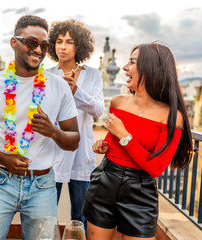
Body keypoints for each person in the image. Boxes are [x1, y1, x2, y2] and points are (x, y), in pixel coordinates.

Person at [0, 15, 80, 240]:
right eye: (31, 42)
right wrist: (4, 158)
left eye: (44, 45)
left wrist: (53, 131)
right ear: (14, 43)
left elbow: (73, 140)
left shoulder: (59, 86)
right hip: (0, 181)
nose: (39, 50)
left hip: (43, 184)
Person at [82, 42, 192, 240]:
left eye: (132, 62)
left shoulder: (173, 117)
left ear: (150, 69)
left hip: (141, 194)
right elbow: (111, 143)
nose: (125, 68)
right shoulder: (118, 102)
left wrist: (124, 136)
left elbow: (156, 167)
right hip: (105, 182)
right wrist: (103, 146)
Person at [47, 19, 104, 231]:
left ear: (79, 45)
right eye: (59, 41)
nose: (62, 46)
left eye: (69, 42)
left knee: (80, 217)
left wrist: (76, 90)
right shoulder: (47, 76)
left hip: (81, 154)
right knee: (45, 213)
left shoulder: (93, 75)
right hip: (52, 153)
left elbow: (98, 109)